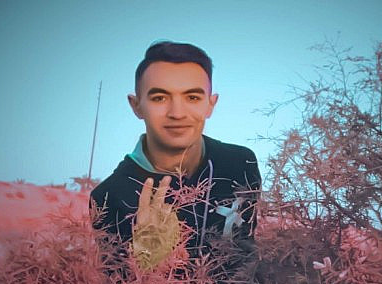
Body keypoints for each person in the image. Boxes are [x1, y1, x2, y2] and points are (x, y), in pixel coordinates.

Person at [90, 41, 261, 265]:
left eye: (192, 97)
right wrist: (149, 259)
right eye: (159, 98)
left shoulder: (241, 163)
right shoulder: (109, 196)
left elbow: (248, 255)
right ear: (136, 105)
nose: (177, 113)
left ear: (211, 104)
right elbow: (117, 282)